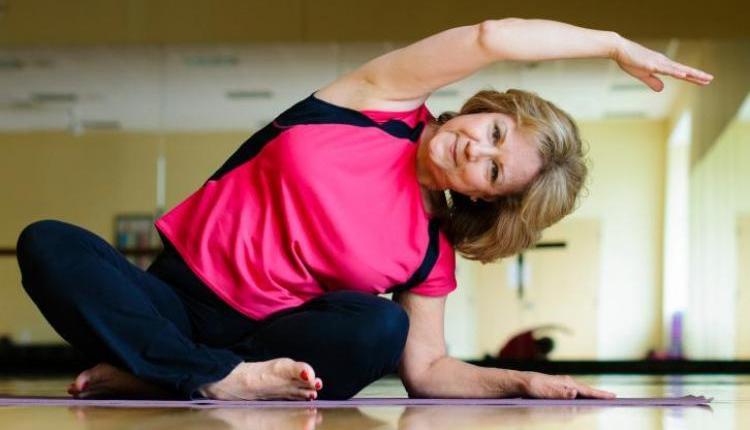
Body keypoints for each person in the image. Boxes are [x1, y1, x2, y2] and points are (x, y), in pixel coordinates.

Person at [15, 18, 712, 401]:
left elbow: (427, 370)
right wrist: (611, 44)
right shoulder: (375, 103)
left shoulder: (429, 247)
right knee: (48, 242)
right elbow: (489, 37)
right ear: (487, 109)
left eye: (495, 171)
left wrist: (525, 381)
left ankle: (178, 372)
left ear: (483, 197)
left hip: (260, 340)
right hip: (167, 295)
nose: (477, 152)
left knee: (378, 326)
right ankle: (190, 374)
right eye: (495, 133)